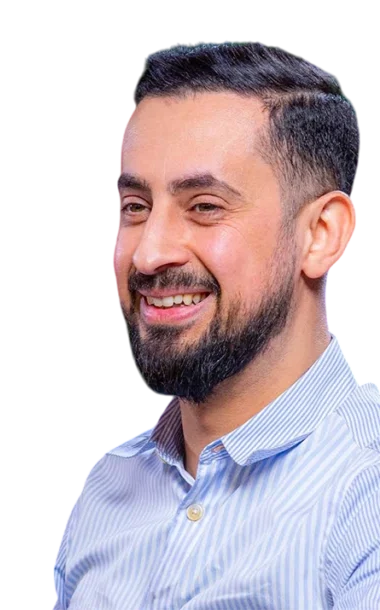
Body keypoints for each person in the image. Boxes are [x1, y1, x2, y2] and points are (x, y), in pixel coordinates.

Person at [52, 41, 378, 609]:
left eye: (204, 206)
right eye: (135, 207)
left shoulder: (366, 495)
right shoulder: (106, 492)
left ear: (322, 234)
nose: (149, 254)